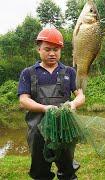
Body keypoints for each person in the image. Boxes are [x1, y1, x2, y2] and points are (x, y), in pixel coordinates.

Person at [18, 28, 85, 180]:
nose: (52, 53)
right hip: (38, 130)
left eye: (56, 49)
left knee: (67, 169)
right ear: (39, 49)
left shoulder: (70, 72)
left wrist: (73, 104)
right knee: (40, 172)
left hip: (65, 129)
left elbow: (80, 96)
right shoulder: (28, 73)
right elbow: (23, 100)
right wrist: (44, 108)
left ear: (60, 50)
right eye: (47, 49)